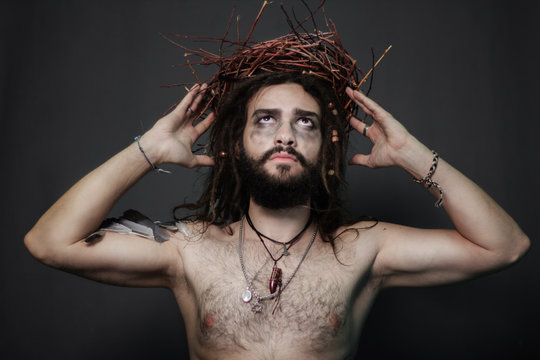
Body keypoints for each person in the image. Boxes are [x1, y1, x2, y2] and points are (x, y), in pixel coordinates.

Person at [24, 8, 529, 360]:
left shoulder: (366, 249)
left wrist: (414, 156)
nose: (285, 134)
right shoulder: (189, 251)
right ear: (236, 143)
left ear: (327, 146)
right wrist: (149, 151)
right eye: (264, 120)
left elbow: (504, 247)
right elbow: (49, 243)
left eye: (304, 123)